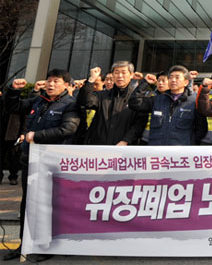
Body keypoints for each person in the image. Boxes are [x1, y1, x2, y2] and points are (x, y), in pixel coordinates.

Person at [4, 70, 82, 262]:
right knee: (27, 204)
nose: (51, 84)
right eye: (49, 81)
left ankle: (46, 247)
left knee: (48, 205)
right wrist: (13, 90)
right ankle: (24, 244)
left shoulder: (71, 105)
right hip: (30, 161)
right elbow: (13, 106)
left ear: (66, 85)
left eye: (56, 81)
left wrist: (36, 136)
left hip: (52, 164)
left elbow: (68, 129)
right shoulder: (38, 100)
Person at [128, 65, 207, 146]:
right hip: (157, 149)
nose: (173, 80)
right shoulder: (157, 99)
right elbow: (134, 103)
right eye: (171, 77)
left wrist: (188, 142)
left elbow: (201, 129)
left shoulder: (193, 102)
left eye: (177, 77)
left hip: (181, 150)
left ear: (186, 82)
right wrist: (145, 83)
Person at [76, 62, 147, 146]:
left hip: (124, 148)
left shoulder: (136, 99)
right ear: (112, 75)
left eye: (124, 72)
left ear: (131, 75)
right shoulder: (102, 95)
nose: (120, 76)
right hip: (98, 146)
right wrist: (91, 79)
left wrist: (126, 140)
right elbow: (85, 101)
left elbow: (139, 124)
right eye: (116, 73)